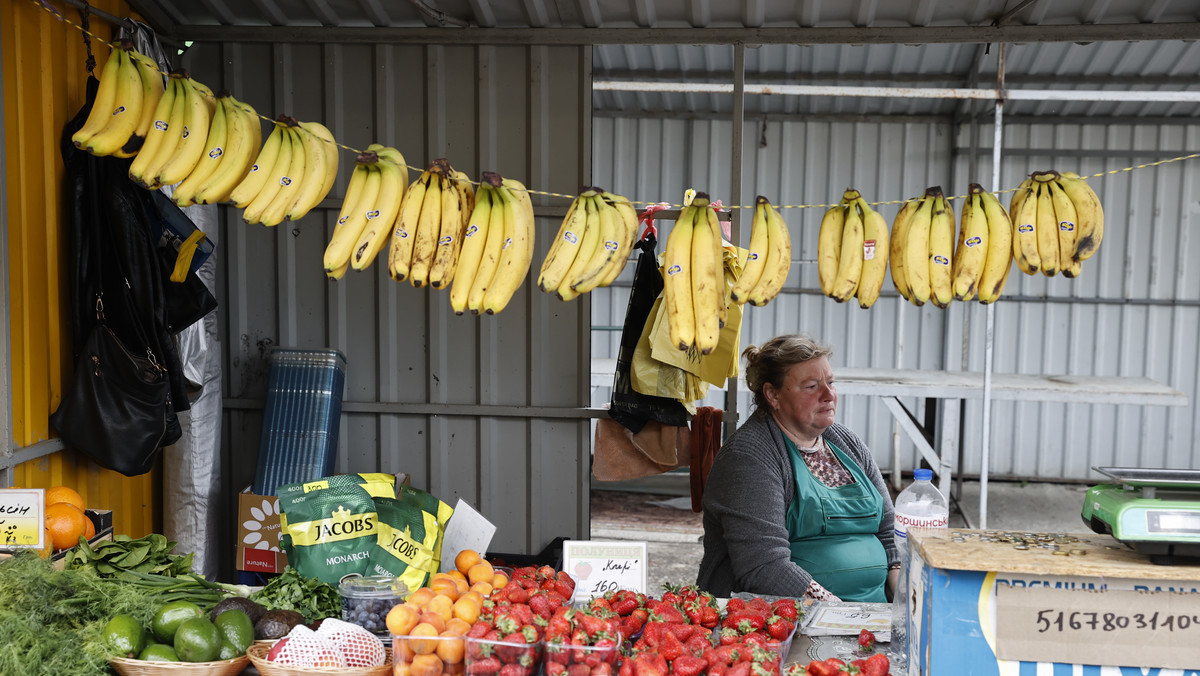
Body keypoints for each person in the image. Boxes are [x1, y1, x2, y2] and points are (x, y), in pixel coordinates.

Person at [696, 334, 900, 602]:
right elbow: (763, 566)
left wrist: (904, 597)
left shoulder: (846, 442)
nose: (828, 395)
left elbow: (887, 533)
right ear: (773, 395)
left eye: (830, 382)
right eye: (812, 386)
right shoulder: (748, 457)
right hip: (788, 617)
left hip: (870, 616)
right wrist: (839, 613)